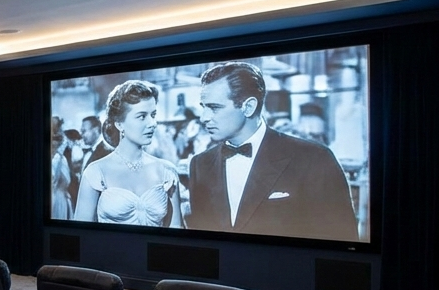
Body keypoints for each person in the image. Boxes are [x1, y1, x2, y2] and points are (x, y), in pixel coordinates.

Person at [187, 61, 357, 241]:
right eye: (203, 107)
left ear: (248, 106)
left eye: (214, 107)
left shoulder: (313, 158)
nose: (204, 118)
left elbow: (341, 238)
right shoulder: (200, 164)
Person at [73, 80, 184, 227]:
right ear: (119, 124)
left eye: (153, 114)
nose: (152, 123)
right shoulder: (96, 172)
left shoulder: (166, 171)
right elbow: (82, 234)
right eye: (142, 116)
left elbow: (176, 232)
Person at [69, 114, 113, 206]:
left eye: (84, 131)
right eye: (81, 131)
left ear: (96, 130)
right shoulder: (88, 151)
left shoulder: (107, 152)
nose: (81, 134)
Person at [51, 130, 74, 220]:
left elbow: (68, 180)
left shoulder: (62, 158)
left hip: (62, 198)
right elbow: (54, 179)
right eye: (54, 139)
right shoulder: (57, 158)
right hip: (55, 199)